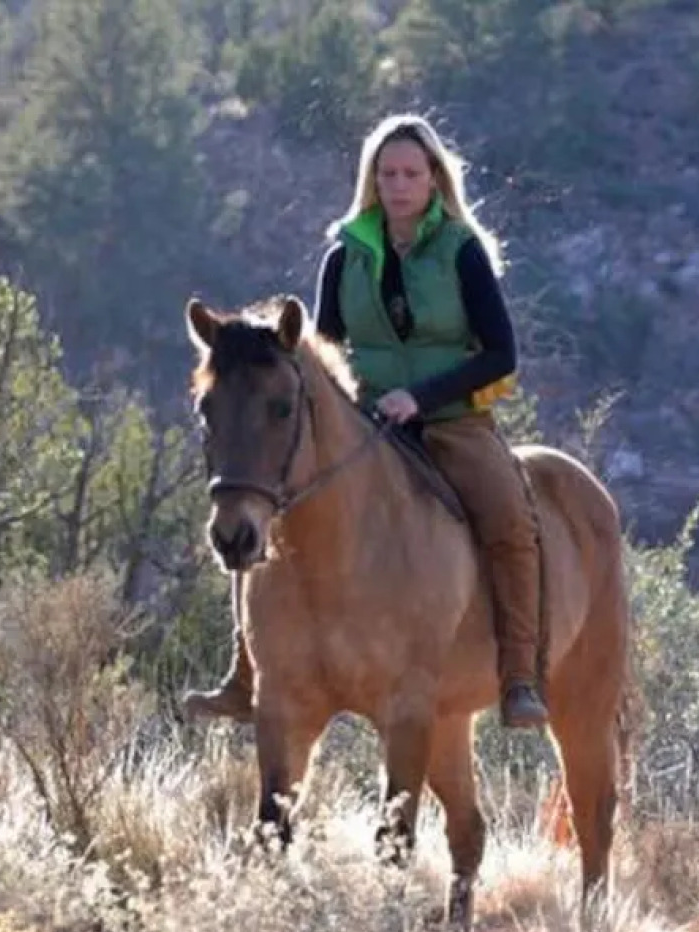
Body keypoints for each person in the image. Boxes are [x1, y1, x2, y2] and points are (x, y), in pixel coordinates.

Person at [183, 113, 550, 730]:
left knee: (511, 520)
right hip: (369, 420)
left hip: (453, 422)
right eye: (388, 174)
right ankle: (245, 675)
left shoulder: (463, 252)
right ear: (372, 181)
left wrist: (421, 397)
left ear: (434, 179)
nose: (399, 185)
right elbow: (320, 353)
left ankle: (518, 678)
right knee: (264, 500)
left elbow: (500, 355)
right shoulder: (344, 256)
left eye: (411, 173)